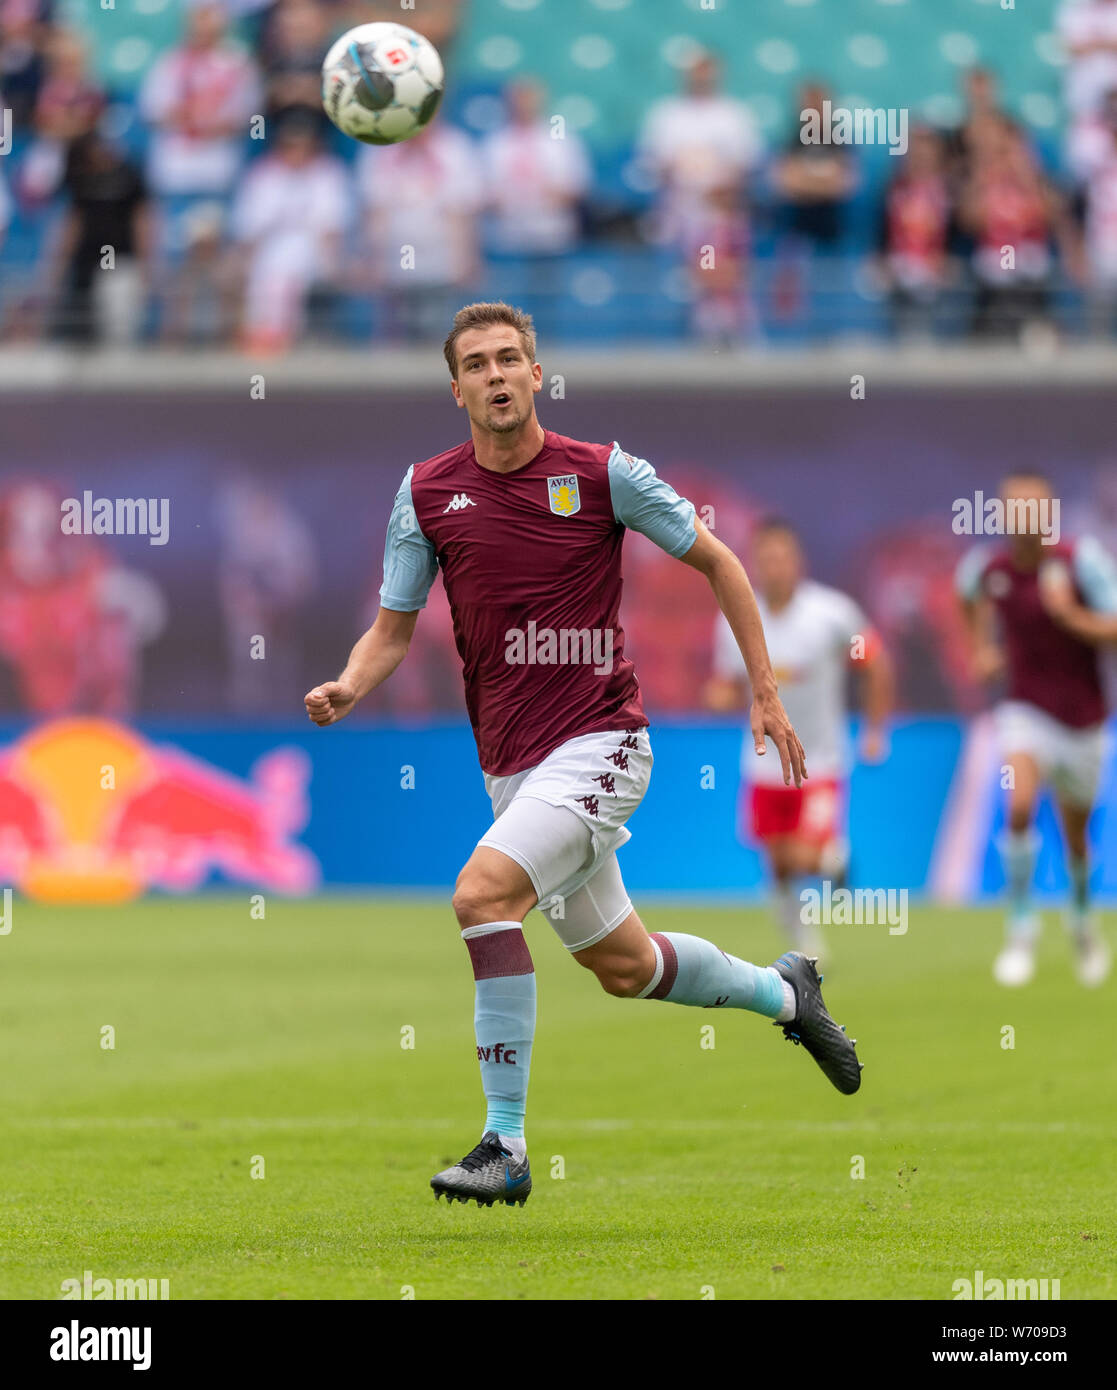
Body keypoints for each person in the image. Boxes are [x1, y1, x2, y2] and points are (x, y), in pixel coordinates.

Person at [304, 301, 863, 1208]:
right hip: (512, 767)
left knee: (482, 896)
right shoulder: (425, 494)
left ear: (537, 375)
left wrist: (764, 688)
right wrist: (347, 684)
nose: (495, 374)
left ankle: (505, 1144)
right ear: (456, 388)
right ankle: (785, 992)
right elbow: (390, 631)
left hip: (603, 740)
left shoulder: (604, 474)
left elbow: (721, 563)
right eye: (477, 363)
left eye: (510, 358)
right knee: (624, 968)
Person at [956, 472, 1117, 988]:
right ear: (1002, 513)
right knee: (1019, 803)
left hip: (1084, 720)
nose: (1025, 518)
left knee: (1075, 838)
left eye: (1035, 507)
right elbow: (970, 600)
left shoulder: (1080, 562)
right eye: (1014, 507)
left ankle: (1082, 922)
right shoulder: (989, 568)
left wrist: (1069, 615)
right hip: (1024, 711)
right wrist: (983, 647)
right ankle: (1021, 927)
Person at [705, 520, 892, 959]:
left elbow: (874, 662)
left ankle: (834, 863)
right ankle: (802, 945)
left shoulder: (831, 615)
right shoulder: (733, 616)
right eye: (765, 559)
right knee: (778, 866)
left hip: (818, 762)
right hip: (762, 762)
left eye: (782, 558)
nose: (774, 568)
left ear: (798, 562)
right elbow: (729, 683)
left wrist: (875, 729)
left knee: (805, 858)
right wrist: (720, 695)